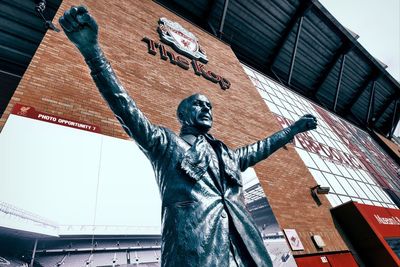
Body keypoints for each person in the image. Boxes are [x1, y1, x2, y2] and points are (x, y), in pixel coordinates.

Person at [59, 6, 317, 267]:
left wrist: (291, 131)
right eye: (198, 105)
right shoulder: (165, 144)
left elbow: (262, 147)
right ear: (182, 115)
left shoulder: (226, 154)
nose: (206, 108)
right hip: (196, 257)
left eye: (209, 106)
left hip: (248, 256)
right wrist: (93, 53)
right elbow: (125, 108)